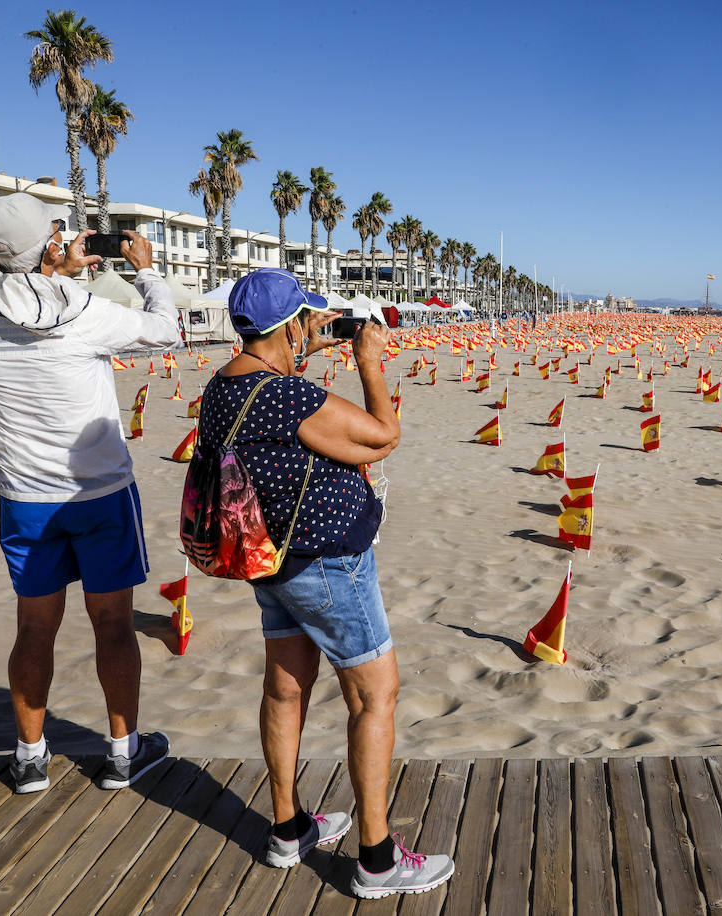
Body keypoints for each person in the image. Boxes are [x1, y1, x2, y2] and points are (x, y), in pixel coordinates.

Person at [197, 269, 453, 897]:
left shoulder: (221, 387)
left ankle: (288, 828)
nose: (317, 327)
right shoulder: (287, 396)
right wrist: (371, 362)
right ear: (286, 325)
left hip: (267, 558)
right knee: (374, 696)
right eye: (310, 319)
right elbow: (383, 438)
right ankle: (376, 857)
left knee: (285, 688)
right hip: (324, 562)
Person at [0, 192, 180, 794]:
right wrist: (146, 270)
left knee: (34, 629)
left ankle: (29, 758)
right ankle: (124, 752)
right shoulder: (81, 309)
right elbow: (165, 330)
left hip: (24, 497)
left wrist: (51, 266)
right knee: (113, 626)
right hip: (98, 491)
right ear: (50, 243)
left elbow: (20, 298)